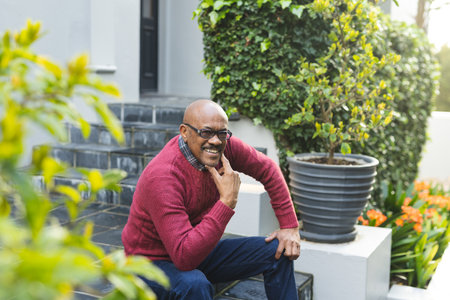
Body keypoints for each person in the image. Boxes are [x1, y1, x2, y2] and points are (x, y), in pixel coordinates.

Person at [121, 99, 301, 299]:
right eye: (206, 132)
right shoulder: (163, 176)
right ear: (184, 132)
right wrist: (226, 203)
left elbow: (267, 168)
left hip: (193, 248)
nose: (215, 141)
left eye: (221, 133)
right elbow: (184, 258)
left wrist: (289, 226)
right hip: (149, 264)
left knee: (279, 251)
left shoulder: (223, 147)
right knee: (194, 285)